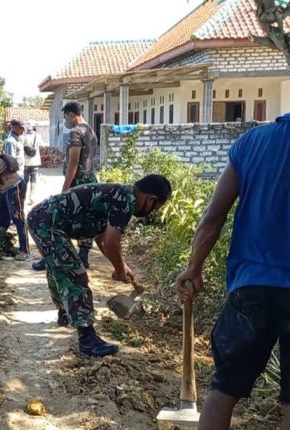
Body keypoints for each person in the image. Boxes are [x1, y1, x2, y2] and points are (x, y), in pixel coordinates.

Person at [176, 114, 290, 430]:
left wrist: (194, 268)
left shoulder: (253, 142)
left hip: (251, 288)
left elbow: (214, 217)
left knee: (224, 391)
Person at [27, 175, 171, 355]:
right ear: (151, 199)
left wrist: (122, 266)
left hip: (43, 219)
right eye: (155, 208)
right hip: (47, 223)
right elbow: (111, 242)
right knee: (74, 273)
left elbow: (101, 237)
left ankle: (65, 314)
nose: (152, 212)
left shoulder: (121, 194)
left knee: (59, 267)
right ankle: (87, 338)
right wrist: (119, 270)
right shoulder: (125, 201)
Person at [33, 102, 99, 272]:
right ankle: (83, 255)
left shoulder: (76, 132)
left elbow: (74, 162)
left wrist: (66, 186)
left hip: (77, 183)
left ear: (71, 115)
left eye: (64, 117)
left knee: (59, 217)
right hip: (91, 181)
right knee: (86, 217)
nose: (65, 121)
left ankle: (52, 257)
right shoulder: (90, 130)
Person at [3, 119, 28, 211]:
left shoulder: (17, 140)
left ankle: (20, 216)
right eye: (22, 128)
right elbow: (11, 161)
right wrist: (14, 177)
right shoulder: (11, 142)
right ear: (15, 128)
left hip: (20, 174)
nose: (23, 130)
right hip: (15, 176)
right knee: (16, 199)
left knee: (21, 199)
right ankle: (16, 218)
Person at [23, 120, 44, 205]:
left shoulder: (23, 136)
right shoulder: (38, 136)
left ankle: (23, 196)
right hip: (35, 161)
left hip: (25, 162)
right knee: (33, 179)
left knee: (25, 180)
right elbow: (42, 146)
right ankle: (31, 197)